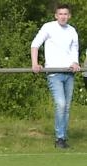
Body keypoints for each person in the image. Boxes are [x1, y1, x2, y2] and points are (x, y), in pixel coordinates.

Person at [31, 3, 80, 149]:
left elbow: (74, 50)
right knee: (61, 104)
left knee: (67, 107)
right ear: (56, 15)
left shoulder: (72, 31)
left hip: (69, 73)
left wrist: (75, 63)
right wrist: (35, 63)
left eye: (66, 14)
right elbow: (35, 45)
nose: (63, 16)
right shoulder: (48, 27)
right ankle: (59, 138)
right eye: (60, 14)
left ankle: (63, 138)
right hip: (54, 73)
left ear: (69, 16)